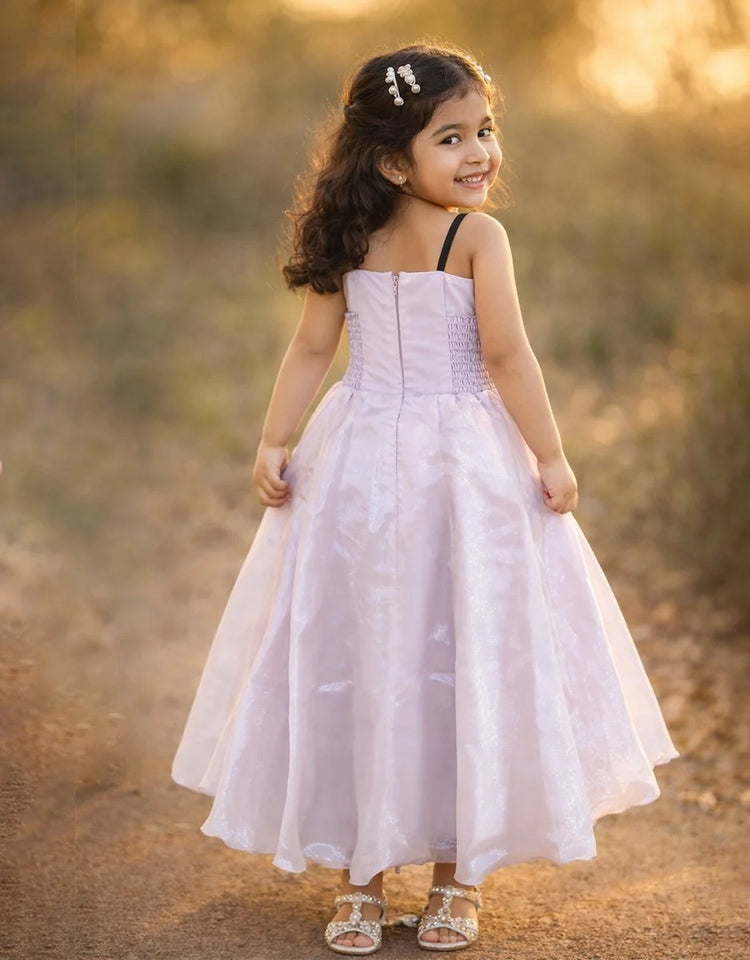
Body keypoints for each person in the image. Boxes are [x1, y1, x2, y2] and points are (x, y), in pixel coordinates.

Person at [172, 42, 678, 955]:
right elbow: (343, 348)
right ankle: (372, 876)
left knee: (450, 645)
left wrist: (285, 436)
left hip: (413, 467)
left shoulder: (462, 235)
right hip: (402, 466)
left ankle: (448, 877)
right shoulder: (409, 239)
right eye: (452, 138)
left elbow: (478, 356)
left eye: (485, 130)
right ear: (393, 159)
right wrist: (274, 441)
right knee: (381, 650)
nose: (480, 152)